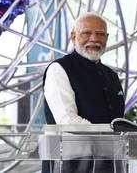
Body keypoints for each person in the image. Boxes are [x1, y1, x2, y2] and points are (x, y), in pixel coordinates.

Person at [42, 12, 125, 173]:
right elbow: (67, 121)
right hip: (68, 166)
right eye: (86, 33)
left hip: (109, 165)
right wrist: (112, 134)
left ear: (106, 38)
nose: (94, 39)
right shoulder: (58, 69)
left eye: (100, 34)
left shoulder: (112, 76)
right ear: (73, 37)